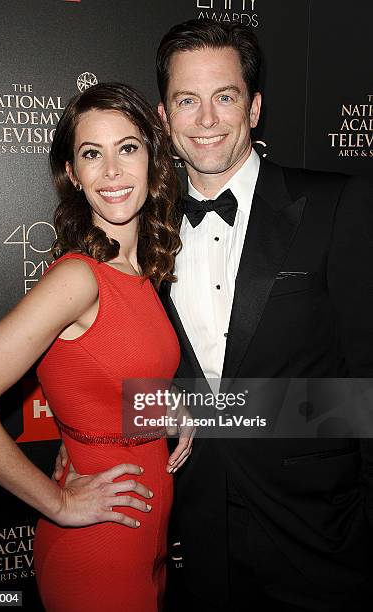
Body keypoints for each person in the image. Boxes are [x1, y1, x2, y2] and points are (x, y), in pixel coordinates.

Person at [153, 18, 373, 612]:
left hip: (320, 537)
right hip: (193, 540)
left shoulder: (336, 205)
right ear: (164, 115)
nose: (205, 120)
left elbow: (365, 385)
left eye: (223, 97)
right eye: (187, 101)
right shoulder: (141, 234)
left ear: (253, 108)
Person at [0, 82, 194, 612]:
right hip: (98, 553)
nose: (111, 171)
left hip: (146, 543)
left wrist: (166, 405)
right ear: (72, 174)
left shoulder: (138, 274)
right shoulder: (78, 279)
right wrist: (58, 502)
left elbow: (100, 378)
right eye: (92, 154)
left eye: (127, 148)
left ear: (152, 159)